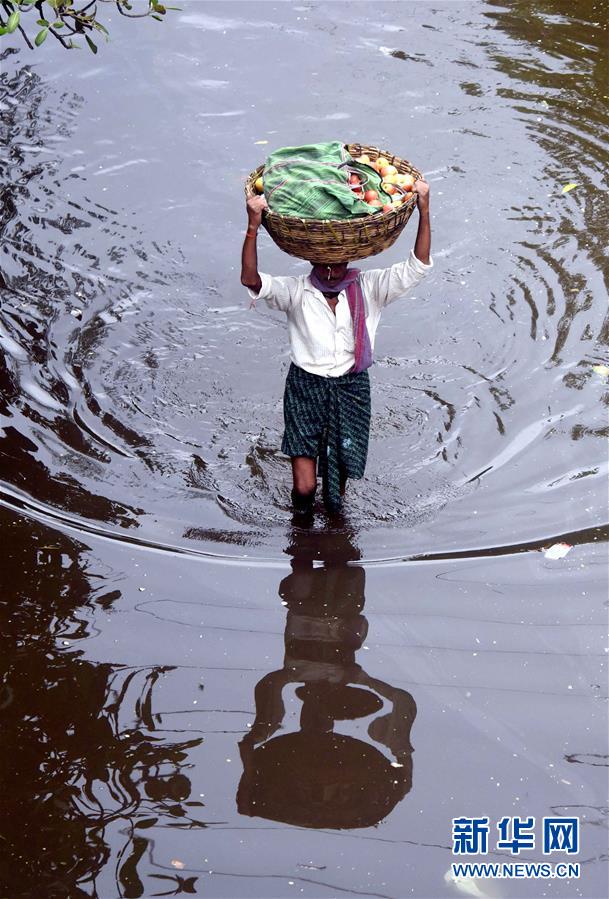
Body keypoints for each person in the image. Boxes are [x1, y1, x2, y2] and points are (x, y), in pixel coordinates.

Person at [240, 179, 432, 516]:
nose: (330, 272)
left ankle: (332, 536)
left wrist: (424, 209)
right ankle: (300, 538)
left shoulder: (370, 288)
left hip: (351, 388)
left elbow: (417, 265)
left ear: (350, 259)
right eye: (324, 264)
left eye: (338, 263)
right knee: (304, 488)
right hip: (305, 387)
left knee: (336, 487)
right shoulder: (297, 291)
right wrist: (253, 226)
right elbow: (251, 280)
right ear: (312, 260)